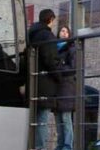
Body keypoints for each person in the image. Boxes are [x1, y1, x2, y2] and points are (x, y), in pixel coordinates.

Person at [28, 9, 60, 150]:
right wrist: (58, 76)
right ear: (50, 19)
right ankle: (39, 148)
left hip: (31, 81)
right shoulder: (48, 36)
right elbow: (50, 59)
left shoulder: (30, 35)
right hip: (45, 83)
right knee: (42, 120)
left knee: (32, 119)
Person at [54, 26, 76, 150]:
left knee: (66, 118)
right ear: (58, 33)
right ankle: (60, 145)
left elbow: (72, 67)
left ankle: (67, 147)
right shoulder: (53, 48)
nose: (64, 33)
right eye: (62, 31)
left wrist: (57, 69)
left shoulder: (71, 48)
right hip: (56, 86)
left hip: (66, 86)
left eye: (66, 31)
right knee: (58, 120)